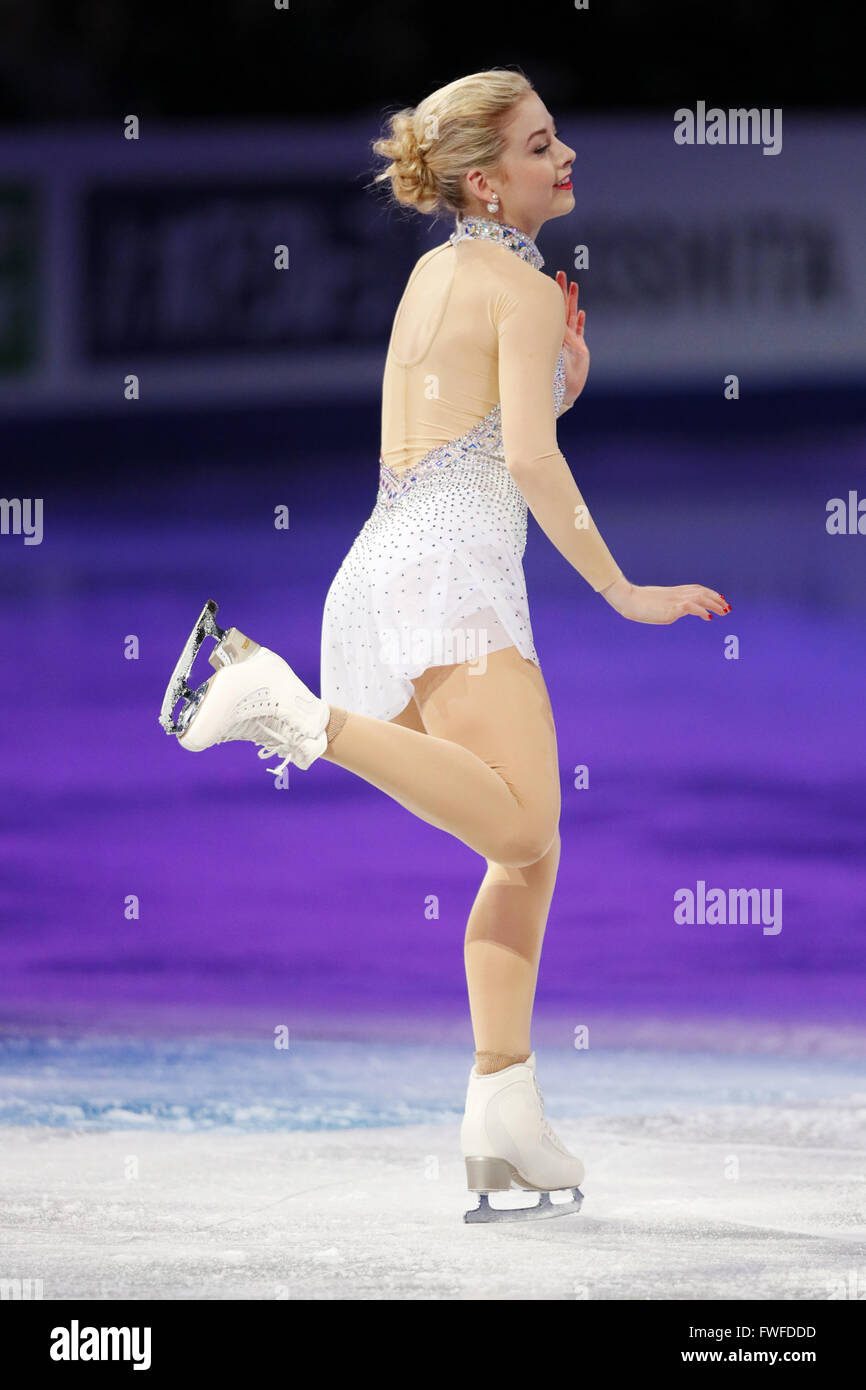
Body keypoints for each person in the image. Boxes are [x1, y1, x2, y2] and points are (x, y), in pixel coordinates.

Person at [163, 68, 730, 1222]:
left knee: (521, 853)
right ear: (484, 178)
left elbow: (461, 429)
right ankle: (287, 707)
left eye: (556, 135)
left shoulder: (442, 271)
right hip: (455, 572)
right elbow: (522, 462)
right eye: (536, 145)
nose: (562, 154)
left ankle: (501, 1117)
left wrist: (560, 380)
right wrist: (624, 590)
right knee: (526, 822)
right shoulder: (516, 291)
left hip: (387, 561)